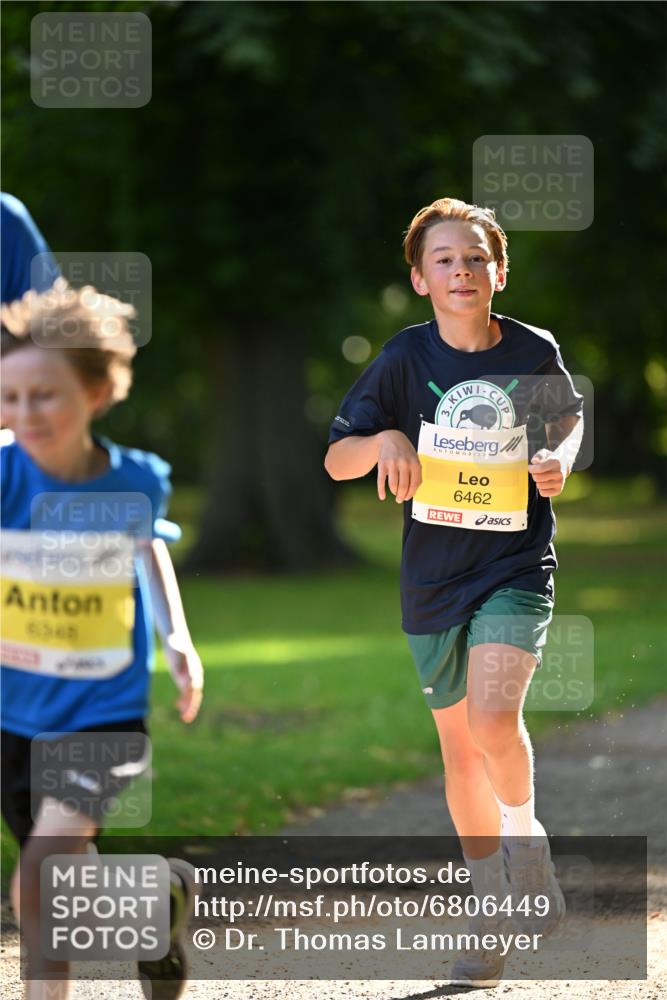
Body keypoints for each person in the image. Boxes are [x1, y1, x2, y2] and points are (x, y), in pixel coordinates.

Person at [325, 197, 584, 988]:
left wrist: (558, 461)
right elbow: (337, 459)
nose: (461, 270)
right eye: (444, 259)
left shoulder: (532, 351)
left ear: (497, 271)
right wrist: (385, 440)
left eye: (474, 257)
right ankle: (491, 913)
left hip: (512, 565)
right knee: (458, 753)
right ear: (419, 277)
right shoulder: (404, 360)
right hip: (431, 578)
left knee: (492, 717)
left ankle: (524, 837)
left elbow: (565, 423)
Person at [1, 279, 203, 1000]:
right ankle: (157, 905)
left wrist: (175, 637)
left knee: (40, 877)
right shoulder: (0, 475)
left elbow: (145, 551)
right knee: (66, 877)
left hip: (100, 715)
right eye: (10, 397)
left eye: (44, 394)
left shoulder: (135, 480)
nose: (25, 413)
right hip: (12, 714)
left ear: (97, 390)